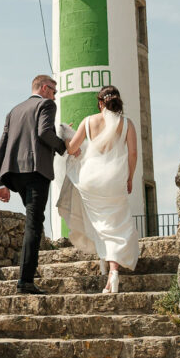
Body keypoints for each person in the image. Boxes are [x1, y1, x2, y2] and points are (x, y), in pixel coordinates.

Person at [57, 85, 139, 293]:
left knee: (101, 225)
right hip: (114, 180)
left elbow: (72, 149)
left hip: (90, 179)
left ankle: (107, 268)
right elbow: (133, 155)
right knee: (116, 225)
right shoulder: (127, 124)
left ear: (100, 102)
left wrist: (65, 133)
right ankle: (113, 271)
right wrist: (129, 177)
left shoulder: (88, 121)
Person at [0, 74, 69, 294]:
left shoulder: (14, 110)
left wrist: (1, 183)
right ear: (45, 88)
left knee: (33, 221)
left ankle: (27, 273)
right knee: (34, 223)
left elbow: (1, 146)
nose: (55, 97)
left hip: (14, 173)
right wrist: (64, 145)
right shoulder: (46, 105)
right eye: (54, 91)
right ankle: (25, 281)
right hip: (36, 170)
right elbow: (44, 132)